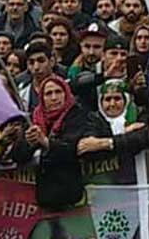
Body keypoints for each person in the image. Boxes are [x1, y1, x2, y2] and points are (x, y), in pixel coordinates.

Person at [11, 76, 93, 211]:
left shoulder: (77, 114)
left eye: (58, 92)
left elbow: (72, 149)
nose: (54, 98)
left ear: (66, 93)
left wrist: (46, 142)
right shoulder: (34, 118)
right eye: (48, 94)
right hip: (43, 196)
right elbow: (17, 155)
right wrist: (28, 141)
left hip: (70, 194)